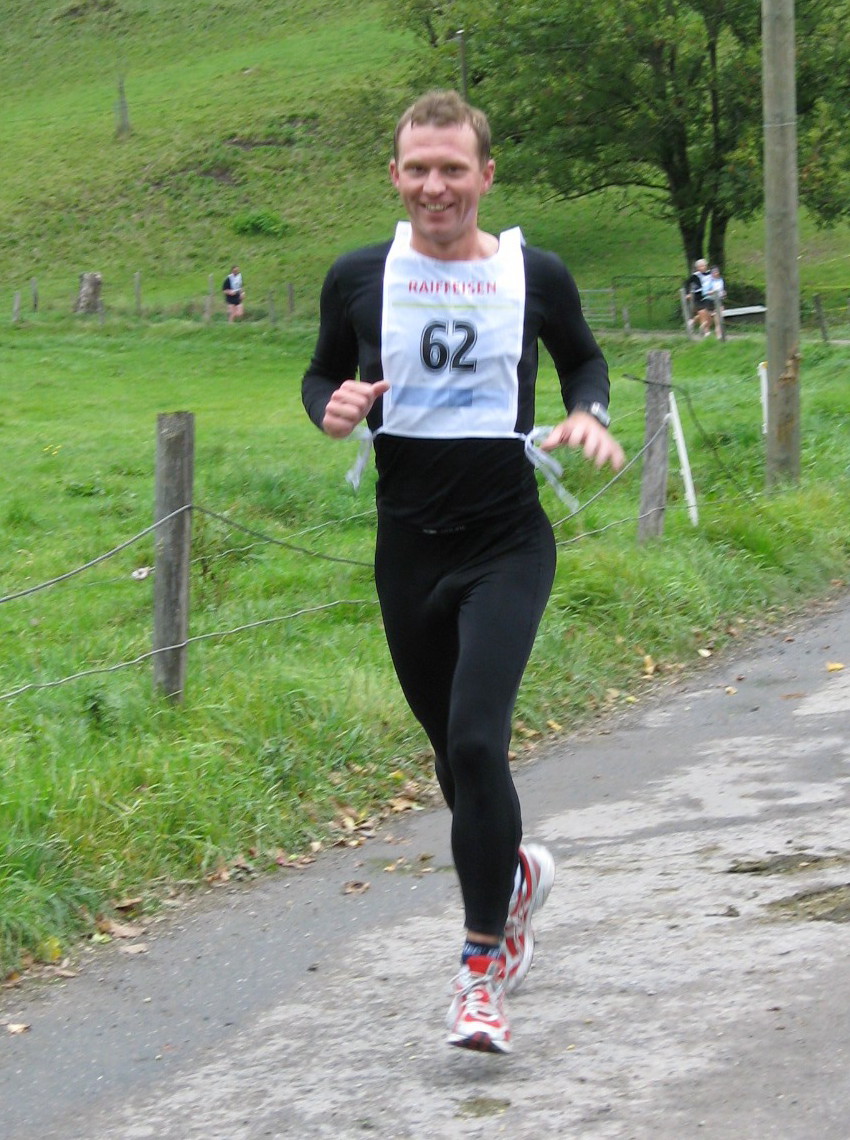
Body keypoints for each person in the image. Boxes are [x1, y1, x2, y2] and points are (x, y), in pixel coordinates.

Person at [301, 90, 625, 1055]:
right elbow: (318, 374)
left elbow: (586, 362)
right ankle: (512, 876)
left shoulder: (536, 273)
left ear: (485, 174)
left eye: (452, 168)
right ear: (395, 177)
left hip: (506, 544)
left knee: (479, 741)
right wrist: (331, 406)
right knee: (453, 758)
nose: (435, 186)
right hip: (407, 550)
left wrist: (590, 414)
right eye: (418, 169)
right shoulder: (359, 276)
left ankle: (481, 971)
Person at [685, 257, 711, 336]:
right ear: (697, 268)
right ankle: (706, 331)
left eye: (704, 266)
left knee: (707, 313)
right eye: (700, 266)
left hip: (708, 295)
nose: (703, 267)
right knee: (702, 312)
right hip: (698, 296)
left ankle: (693, 321)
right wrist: (687, 293)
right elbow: (687, 284)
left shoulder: (710, 273)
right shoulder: (695, 275)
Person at [704, 265, 726, 338]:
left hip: (719, 300)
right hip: (710, 301)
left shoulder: (721, 280)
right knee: (709, 319)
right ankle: (706, 331)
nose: (715, 273)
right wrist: (712, 292)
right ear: (711, 273)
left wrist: (724, 293)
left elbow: (723, 290)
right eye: (713, 272)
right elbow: (705, 292)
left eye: (717, 271)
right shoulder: (708, 281)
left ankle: (718, 334)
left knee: (718, 317)